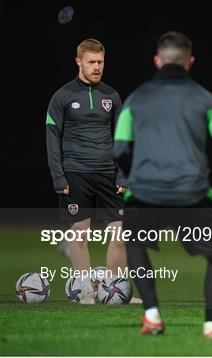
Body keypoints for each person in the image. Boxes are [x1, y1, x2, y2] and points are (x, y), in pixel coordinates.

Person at [114, 31, 212, 337]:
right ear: (190, 62)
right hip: (192, 192)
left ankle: (152, 316)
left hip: (144, 192)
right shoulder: (203, 97)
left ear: (158, 61)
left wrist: (138, 171)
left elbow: (119, 148)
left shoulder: (137, 98)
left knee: (134, 243)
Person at [46, 38, 141, 304]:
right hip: (75, 173)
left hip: (108, 174)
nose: (97, 67)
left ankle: (115, 290)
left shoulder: (111, 96)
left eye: (100, 62)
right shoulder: (62, 96)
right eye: (91, 62)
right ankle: (86, 291)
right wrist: (58, 175)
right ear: (78, 62)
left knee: (120, 235)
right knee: (79, 233)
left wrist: (123, 173)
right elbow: (52, 137)